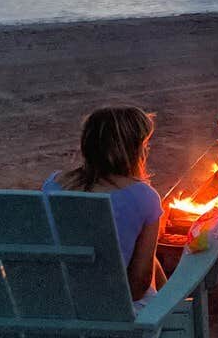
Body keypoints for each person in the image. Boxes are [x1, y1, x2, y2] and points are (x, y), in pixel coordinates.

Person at [42, 106, 164, 309]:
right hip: (117, 326)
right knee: (151, 267)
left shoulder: (53, 184)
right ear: (134, 149)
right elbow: (137, 288)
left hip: (58, 313)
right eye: (145, 144)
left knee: (153, 262)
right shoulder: (144, 197)